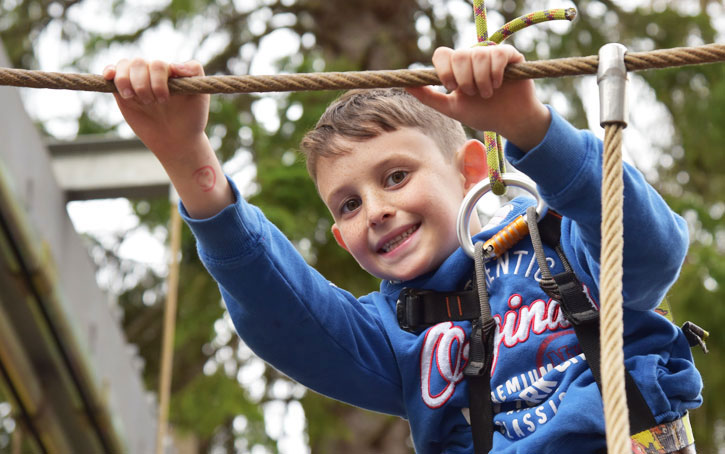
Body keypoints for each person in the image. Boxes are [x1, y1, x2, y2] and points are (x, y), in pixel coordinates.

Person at [104, 45, 702, 453]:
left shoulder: (565, 242)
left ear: (471, 170)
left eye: (394, 177)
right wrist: (191, 165)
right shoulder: (393, 335)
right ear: (342, 238)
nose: (376, 210)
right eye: (349, 205)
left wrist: (531, 130)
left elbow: (649, 245)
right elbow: (288, 315)